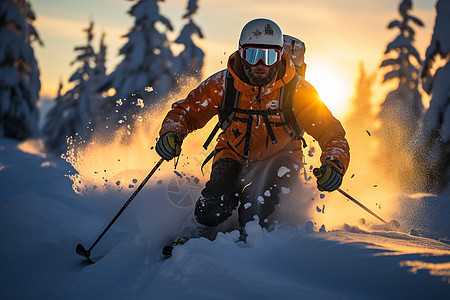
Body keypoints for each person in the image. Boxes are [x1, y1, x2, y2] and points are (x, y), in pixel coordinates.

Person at [156, 18, 350, 248]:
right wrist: (172, 133)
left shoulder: (298, 91)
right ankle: (195, 231)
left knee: (258, 205)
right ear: (240, 54)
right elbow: (186, 112)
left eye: (269, 57)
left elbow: (331, 133)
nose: (260, 64)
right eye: (252, 55)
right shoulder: (224, 84)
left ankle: (250, 248)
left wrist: (334, 164)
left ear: (279, 57)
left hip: (283, 156)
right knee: (216, 203)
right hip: (233, 152)